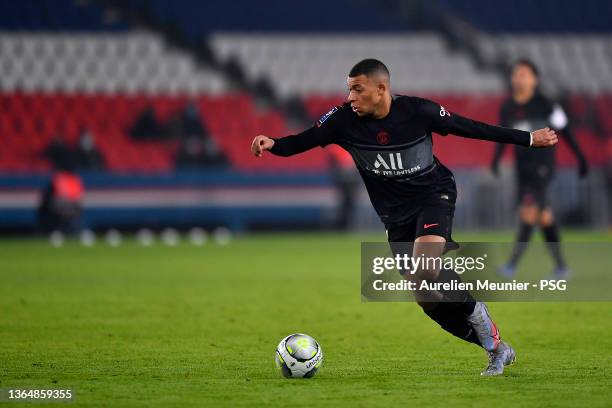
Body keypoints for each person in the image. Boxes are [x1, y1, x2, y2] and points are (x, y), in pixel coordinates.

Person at [250, 59, 558, 376]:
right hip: (395, 216)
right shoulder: (342, 120)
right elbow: (303, 141)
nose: (350, 97)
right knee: (424, 294)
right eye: (348, 89)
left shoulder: (418, 111)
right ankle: (495, 346)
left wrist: (528, 138)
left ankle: (487, 333)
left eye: (357, 89)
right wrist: (272, 144)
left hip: (433, 195)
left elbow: (470, 127)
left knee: (426, 265)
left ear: (381, 88)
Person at [491, 59, 588, 279]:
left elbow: (566, 131)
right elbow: (502, 136)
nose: (519, 78)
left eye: (525, 74)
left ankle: (511, 266)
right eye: (516, 74)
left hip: (543, 167)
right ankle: (562, 267)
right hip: (522, 168)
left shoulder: (547, 104)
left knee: (529, 212)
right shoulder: (508, 107)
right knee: (544, 217)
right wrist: (496, 160)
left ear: (535, 79)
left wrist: (581, 157)